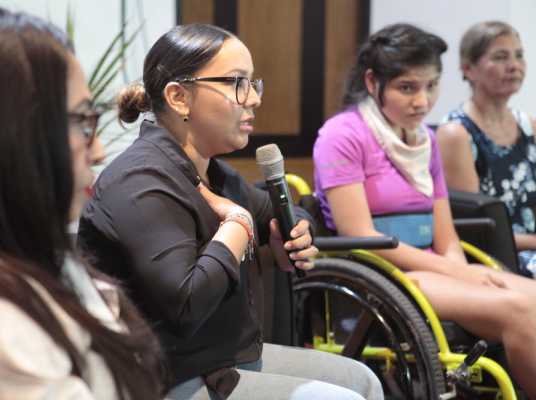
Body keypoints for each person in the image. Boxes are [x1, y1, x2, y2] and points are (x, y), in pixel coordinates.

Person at [78, 23, 383, 400]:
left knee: (363, 381)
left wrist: (295, 231)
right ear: (179, 97)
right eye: (237, 83)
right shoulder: (140, 179)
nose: (253, 98)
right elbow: (185, 305)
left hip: (223, 359)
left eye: (254, 83)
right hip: (165, 377)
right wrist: (238, 223)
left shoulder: (214, 171)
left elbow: (285, 212)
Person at [0, 5, 164, 399]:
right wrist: (235, 229)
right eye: (81, 122)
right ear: (6, 136)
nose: (98, 150)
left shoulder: (42, 258)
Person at [313, 23, 536, 397]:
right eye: (407, 88)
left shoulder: (424, 139)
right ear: (372, 82)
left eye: (431, 86)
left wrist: (462, 271)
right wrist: (455, 272)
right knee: (518, 309)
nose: (422, 101)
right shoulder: (342, 135)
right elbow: (365, 238)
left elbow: (445, 234)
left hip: (431, 266)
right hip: (380, 273)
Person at [436, 21, 536, 277]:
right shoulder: (456, 133)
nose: (514, 66)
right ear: (468, 68)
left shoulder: (530, 125)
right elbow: (479, 229)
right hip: (497, 258)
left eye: (519, 55)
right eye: (501, 57)